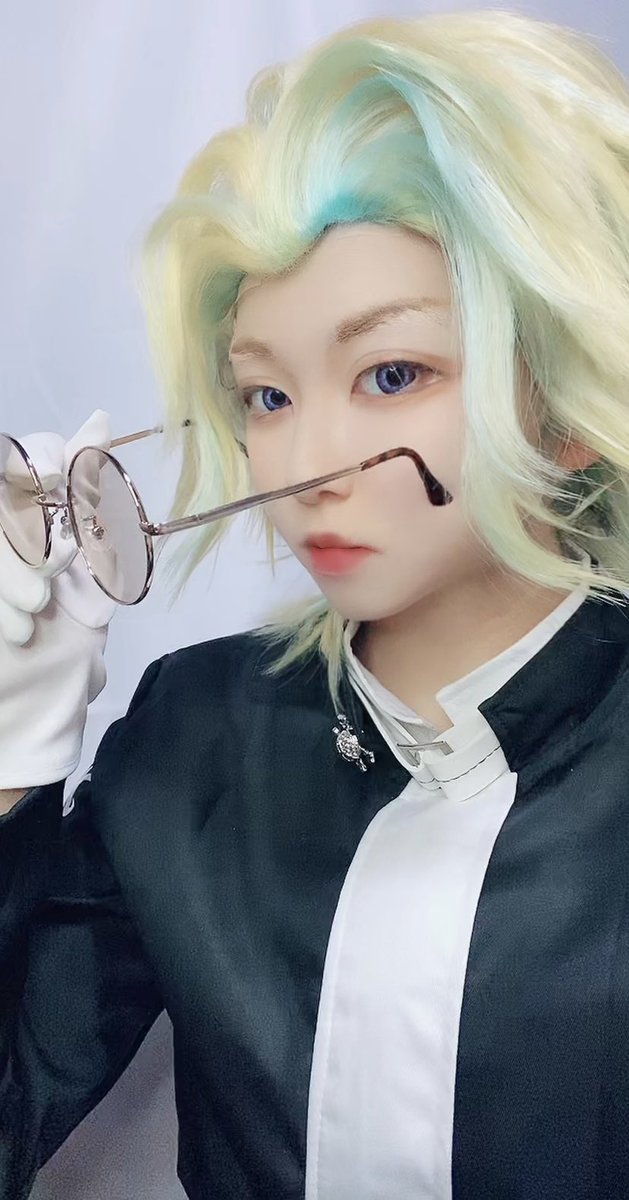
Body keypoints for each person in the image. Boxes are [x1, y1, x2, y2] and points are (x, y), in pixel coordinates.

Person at [2, 8, 629, 1198]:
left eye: (391, 373)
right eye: (267, 396)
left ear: (562, 403)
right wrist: (4, 766)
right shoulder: (190, 735)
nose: (304, 466)